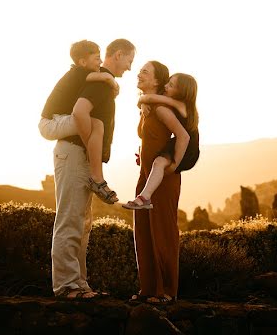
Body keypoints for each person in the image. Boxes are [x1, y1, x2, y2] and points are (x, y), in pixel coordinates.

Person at [50, 38, 136, 300]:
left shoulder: (99, 79)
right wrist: (91, 148)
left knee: (82, 223)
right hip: (76, 153)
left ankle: (79, 283)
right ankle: (66, 286)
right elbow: (79, 113)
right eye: (130, 61)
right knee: (71, 220)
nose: (130, 68)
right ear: (118, 55)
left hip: (79, 154)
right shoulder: (101, 82)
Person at [129, 61, 191, 304]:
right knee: (144, 232)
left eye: (145, 71)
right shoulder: (147, 107)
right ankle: (148, 289)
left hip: (163, 180)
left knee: (162, 231)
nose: (139, 73)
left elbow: (183, 135)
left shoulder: (161, 109)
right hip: (146, 176)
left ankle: (166, 291)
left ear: (157, 81)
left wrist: (174, 164)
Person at [40, 40, 119, 195]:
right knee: (97, 124)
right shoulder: (78, 73)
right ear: (83, 62)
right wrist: (111, 81)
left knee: (96, 124)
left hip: (54, 122)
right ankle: (97, 178)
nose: (101, 61)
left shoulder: (79, 73)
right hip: (49, 123)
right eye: (97, 58)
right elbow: (101, 77)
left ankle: (96, 174)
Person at [123, 72, 198, 210]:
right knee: (158, 163)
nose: (165, 86)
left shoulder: (180, 104)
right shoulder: (174, 102)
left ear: (181, 92)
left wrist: (175, 163)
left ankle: (144, 198)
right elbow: (146, 98)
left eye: (171, 85)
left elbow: (185, 137)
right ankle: (144, 197)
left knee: (159, 162)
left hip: (188, 149)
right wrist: (143, 103)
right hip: (178, 142)